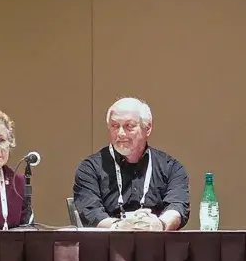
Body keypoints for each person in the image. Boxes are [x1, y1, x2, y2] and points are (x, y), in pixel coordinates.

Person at [72, 97, 189, 230]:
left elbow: (177, 207)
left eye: (129, 126)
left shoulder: (171, 168)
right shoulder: (90, 168)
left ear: (148, 128)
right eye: (115, 126)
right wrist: (120, 227)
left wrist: (158, 225)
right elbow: (91, 213)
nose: (121, 134)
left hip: (157, 244)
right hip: (107, 244)